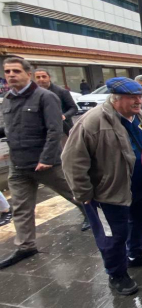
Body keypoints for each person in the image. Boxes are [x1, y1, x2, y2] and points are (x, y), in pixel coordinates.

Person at [62, 77, 142, 296]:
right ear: (115, 98)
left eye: (140, 96)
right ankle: (116, 274)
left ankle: (136, 253)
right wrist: (83, 193)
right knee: (113, 236)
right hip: (107, 193)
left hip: (138, 187)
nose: (138, 101)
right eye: (132, 97)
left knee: (139, 221)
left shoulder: (139, 116)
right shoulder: (92, 121)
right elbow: (72, 160)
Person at [0, 58, 89, 270]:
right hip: (19, 165)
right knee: (21, 208)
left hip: (45, 164)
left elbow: (54, 129)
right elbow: (8, 129)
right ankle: (26, 246)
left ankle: (95, 219)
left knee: (75, 194)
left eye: (16, 71)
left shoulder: (45, 97)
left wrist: (47, 159)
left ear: (27, 74)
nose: (11, 75)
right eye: (7, 71)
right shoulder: (8, 98)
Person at [34, 69, 78, 137]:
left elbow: (74, 108)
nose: (41, 79)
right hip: (42, 130)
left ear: (49, 77)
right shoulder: (33, 93)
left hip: (62, 129)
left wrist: (64, 116)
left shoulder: (62, 92)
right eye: (38, 77)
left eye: (44, 76)